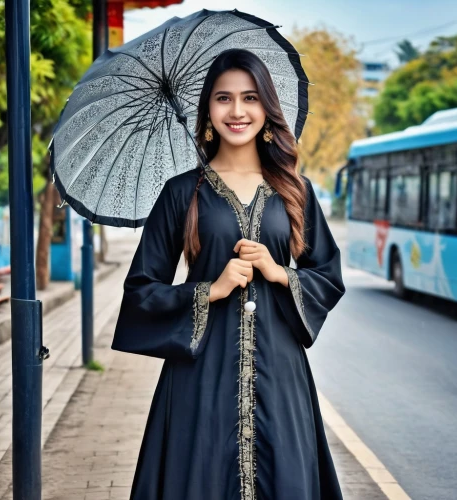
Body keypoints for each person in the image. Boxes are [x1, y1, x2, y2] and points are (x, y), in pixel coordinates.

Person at [111, 48, 346, 500]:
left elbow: (328, 274)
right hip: (199, 380)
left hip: (280, 376)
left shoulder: (295, 190)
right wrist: (209, 291)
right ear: (207, 110)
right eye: (223, 99)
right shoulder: (182, 193)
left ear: (267, 108)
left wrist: (279, 274)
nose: (237, 111)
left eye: (250, 98)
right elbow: (141, 290)